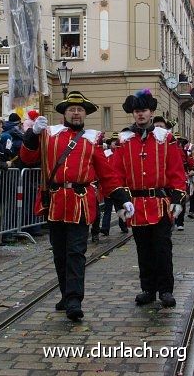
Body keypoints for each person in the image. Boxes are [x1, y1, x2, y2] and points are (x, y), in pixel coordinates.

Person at [20, 91, 129, 321]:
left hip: (80, 201)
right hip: (55, 200)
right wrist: (32, 135)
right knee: (60, 253)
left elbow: (106, 174)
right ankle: (65, 294)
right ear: (65, 113)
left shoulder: (92, 139)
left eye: (80, 110)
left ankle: (74, 300)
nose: (76, 113)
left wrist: (121, 199)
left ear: (85, 114)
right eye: (72, 109)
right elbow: (27, 159)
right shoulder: (49, 135)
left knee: (76, 253)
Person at [112, 89, 186, 309]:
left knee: (162, 249)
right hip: (135, 205)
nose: (140, 114)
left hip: (160, 204)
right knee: (143, 249)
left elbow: (176, 172)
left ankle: (165, 290)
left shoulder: (166, 139)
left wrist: (176, 199)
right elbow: (116, 173)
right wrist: (121, 200)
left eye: (143, 110)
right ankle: (148, 289)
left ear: (151, 112)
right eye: (136, 111)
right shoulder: (124, 140)